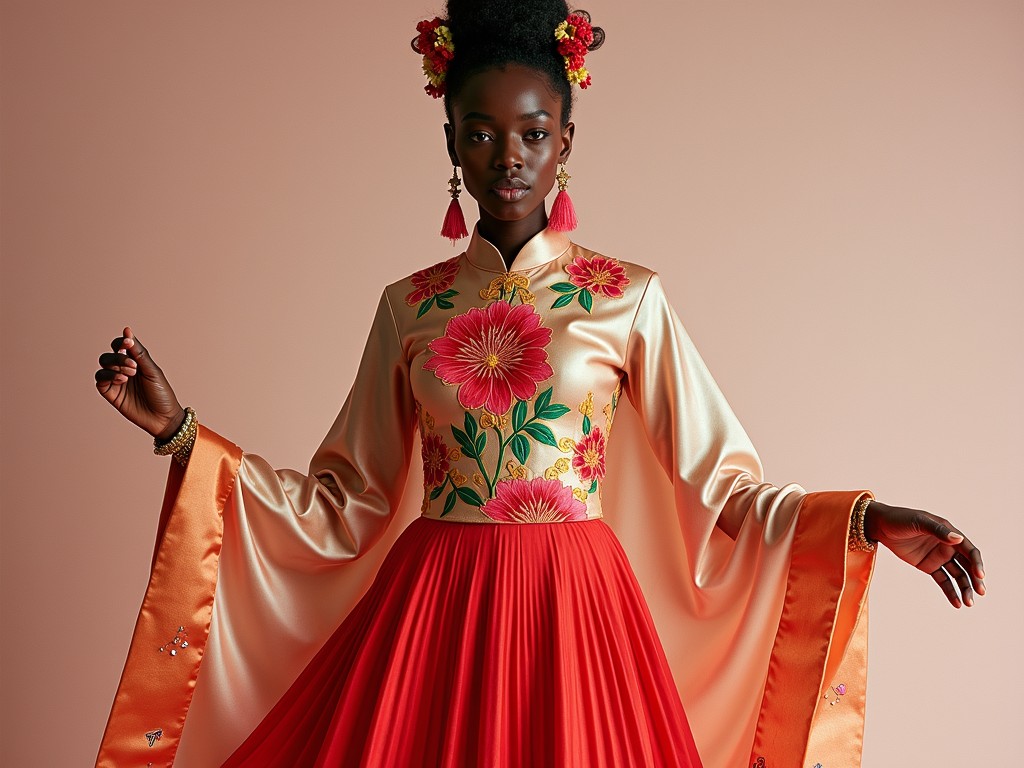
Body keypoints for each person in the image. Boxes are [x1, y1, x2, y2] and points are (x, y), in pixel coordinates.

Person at [93, 2, 986, 766]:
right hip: (433, 617)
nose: (508, 157)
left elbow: (726, 486)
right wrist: (179, 432)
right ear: (451, 142)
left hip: (580, 619)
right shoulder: (412, 308)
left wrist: (866, 519)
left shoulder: (628, 299)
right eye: (482, 134)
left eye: (532, 134)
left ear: (566, 140)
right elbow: (345, 502)